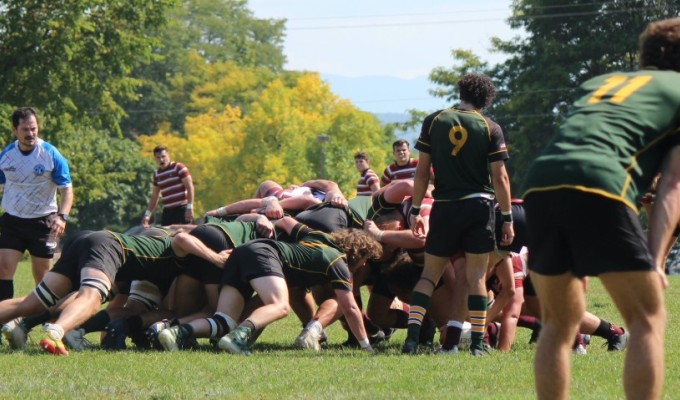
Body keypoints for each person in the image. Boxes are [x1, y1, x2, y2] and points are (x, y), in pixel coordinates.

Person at [522, 18, 680, 400]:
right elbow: (674, 186)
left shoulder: (601, 83)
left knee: (559, 322)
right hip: (601, 183)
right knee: (647, 318)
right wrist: (656, 259)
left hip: (540, 184)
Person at [401, 73, 513, 355]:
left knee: (429, 275)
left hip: (445, 207)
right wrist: (508, 217)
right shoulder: (490, 127)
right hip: (479, 207)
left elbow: (422, 171)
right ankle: (477, 344)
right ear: (485, 100)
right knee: (476, 277)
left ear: (461, 92)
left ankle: (412, 340)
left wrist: (416, 209)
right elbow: (500, 178)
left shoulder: (435, 120)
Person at [0, 107, 73, 303]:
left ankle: (40, 323)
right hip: (13, 221)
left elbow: (67, 190)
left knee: (43, 277)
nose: (31, 133)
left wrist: (62, 216)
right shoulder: (6, 156)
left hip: (44, 222)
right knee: (3, 269)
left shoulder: (50, 154)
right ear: (15, 130)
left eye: (33, 128)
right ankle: (2, 322)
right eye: (25, 129)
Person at [141, 145, 194, 227]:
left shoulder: (179, 168)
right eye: (158, 157)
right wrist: (147, 214)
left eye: (163, 156)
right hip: (167, 212)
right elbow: (155, 196)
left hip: (181, 209)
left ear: (168, 155)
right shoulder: (157, 174)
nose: (161, 160)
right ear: (155, 159)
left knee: (181, 236)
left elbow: (190, 187)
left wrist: (190, 207)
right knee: (165, 237)